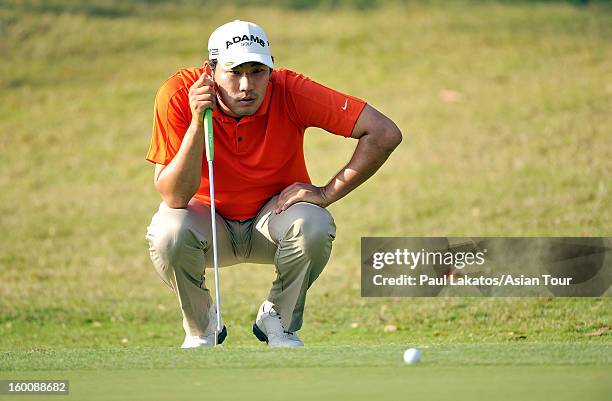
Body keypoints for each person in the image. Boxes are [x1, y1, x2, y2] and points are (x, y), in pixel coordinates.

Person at [145, 20, 402, 348]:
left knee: (315, 223)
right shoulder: (178, 95)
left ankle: (278, 320)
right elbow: (174, 196)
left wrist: (326, 193)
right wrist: (198, 122)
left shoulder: (290, 90)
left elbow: (383, 133)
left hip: (272, 221)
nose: (246, 85)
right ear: (210, 72)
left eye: (257, 71)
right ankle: (202, 326)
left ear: (271, 71)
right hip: (207, 224)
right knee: (168, 231)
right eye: (234, 71)